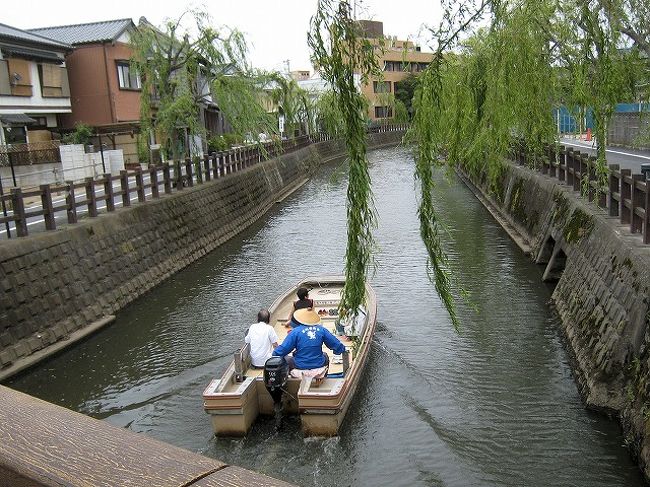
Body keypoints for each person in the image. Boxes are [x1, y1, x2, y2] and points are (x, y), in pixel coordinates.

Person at [273, 308, 346, 381]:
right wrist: (340, 350)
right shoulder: (321, 330)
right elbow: (337, 346)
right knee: (325, 356)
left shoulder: (295, 332)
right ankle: (323, 379)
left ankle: (292, 382)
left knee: (286, 359)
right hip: (319, 365)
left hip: (300, 366)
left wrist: (274, 354)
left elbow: (283, 350)